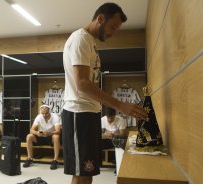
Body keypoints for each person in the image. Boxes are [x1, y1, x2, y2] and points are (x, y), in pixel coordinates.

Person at [62, 3, 148, 184]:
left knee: (88, 171)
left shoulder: (90, 42)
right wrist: (120, 105)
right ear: (100, 19)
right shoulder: (81, 39)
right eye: (113, 27)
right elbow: (83, 83)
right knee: (81, 173)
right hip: (78, 113)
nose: (113, 32)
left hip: (90, 112)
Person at [23, 105, 61, 170]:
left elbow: (58, 131)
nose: (44, 115)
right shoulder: (39, 117)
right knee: (29, 136)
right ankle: (30, 158)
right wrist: (37, 133)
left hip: (50, 136)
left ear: (49, 112)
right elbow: (31, 130)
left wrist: (50, 133)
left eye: (46, 113)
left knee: (56, 137)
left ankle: (55, 160)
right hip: (41, 136)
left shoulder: (55, 116)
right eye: (42, 113)